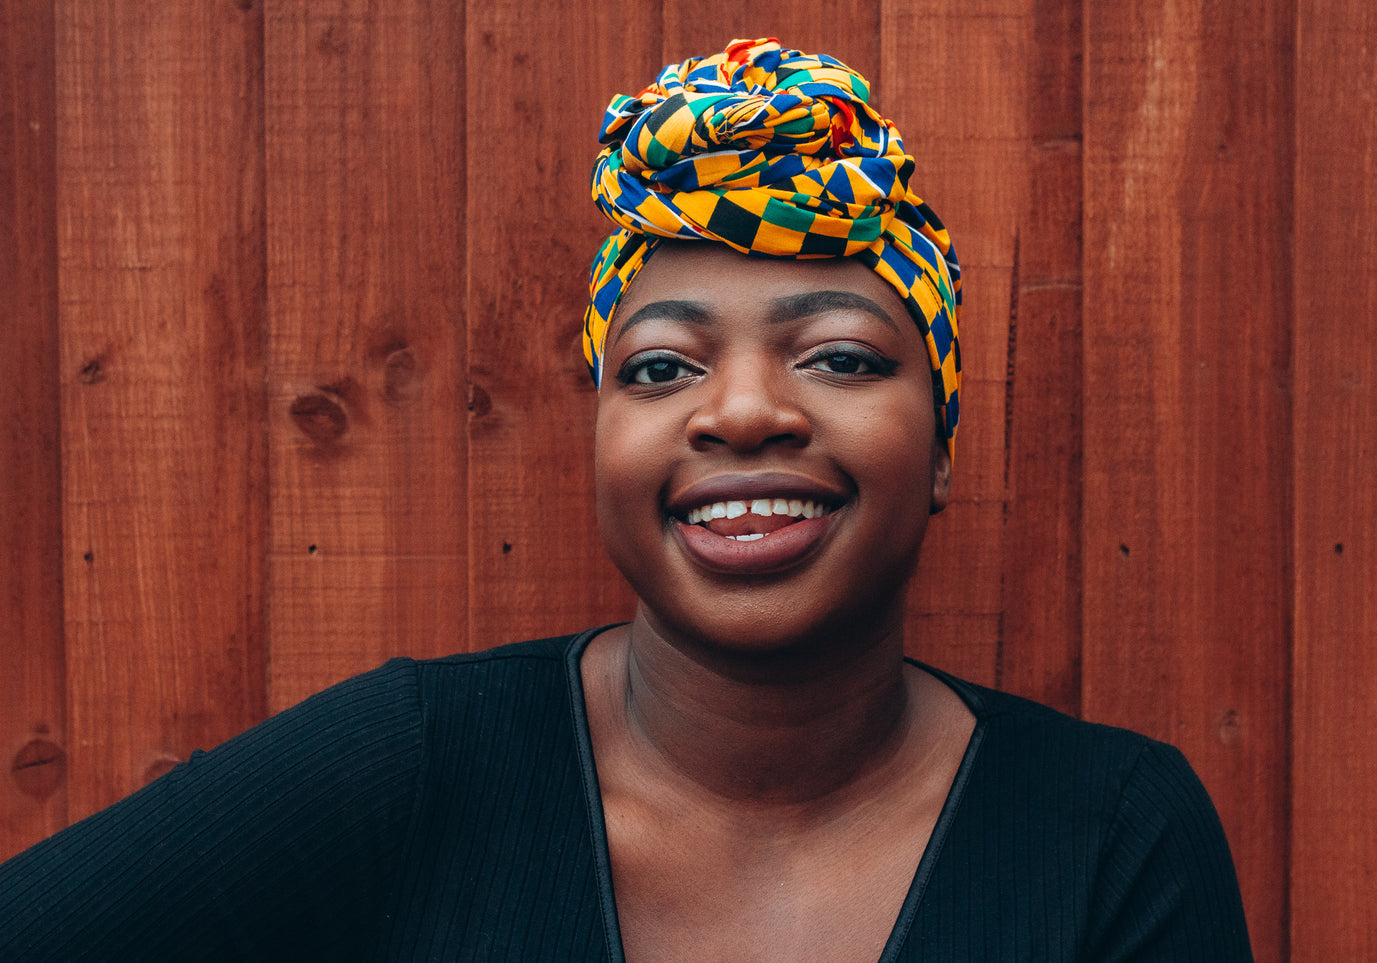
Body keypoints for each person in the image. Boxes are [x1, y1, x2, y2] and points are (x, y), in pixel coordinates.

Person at [0, 39, 1252, 962]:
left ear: (937, 448)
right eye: (660, 367)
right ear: (602, 436)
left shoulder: (1111, 836)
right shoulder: (413, 766)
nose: (743, 410)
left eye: (840, 355)